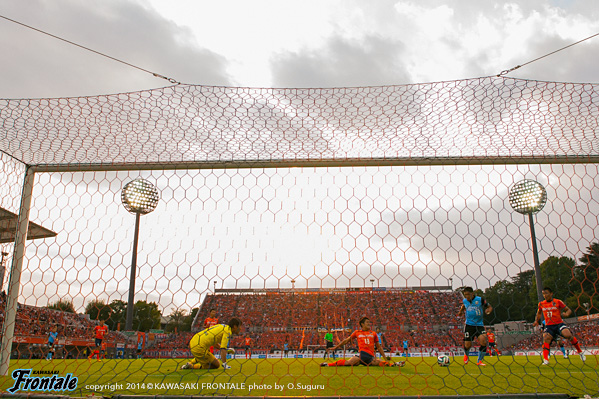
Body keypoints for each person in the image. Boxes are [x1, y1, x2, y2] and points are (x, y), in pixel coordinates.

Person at [321, 317, 404, 367]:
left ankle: (394, 364)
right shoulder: (357, 332)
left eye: (369, 322)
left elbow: (379, 347)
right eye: (367, 322)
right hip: (361, 355)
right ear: (362, 324)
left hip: (370, 357)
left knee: (379, 362)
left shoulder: (373, 333)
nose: (369, 324)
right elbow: (346, 341)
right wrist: (336, 347)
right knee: (348, 363)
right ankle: (328, 364)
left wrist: (385, 358)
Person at [533, 287, 584, 365]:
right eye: (543, 293)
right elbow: (539, 312)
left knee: (568, 335)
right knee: (546, 338)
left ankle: (580, 352)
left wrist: (566, 314)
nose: (545, 295)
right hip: (549, 326)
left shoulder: (558, 302)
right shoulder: (541, 304)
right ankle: (546, 359)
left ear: (551, 293)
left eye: (546, 293)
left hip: (559, 324)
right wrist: (536, 320)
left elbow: (568, 309)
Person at [457, 287, 493, 366]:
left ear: (472, 293)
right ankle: (466, 355)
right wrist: (460, 312)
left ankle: (479, 361)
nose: (467, 296)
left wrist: (488, 310)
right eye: (465, 295)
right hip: (469, 325)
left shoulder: (480, 300)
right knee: (468, 345)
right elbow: (463, 306)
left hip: (479, 325)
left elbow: (489, 306)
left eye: (468, 294)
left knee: (483, 341)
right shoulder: (465, 301)